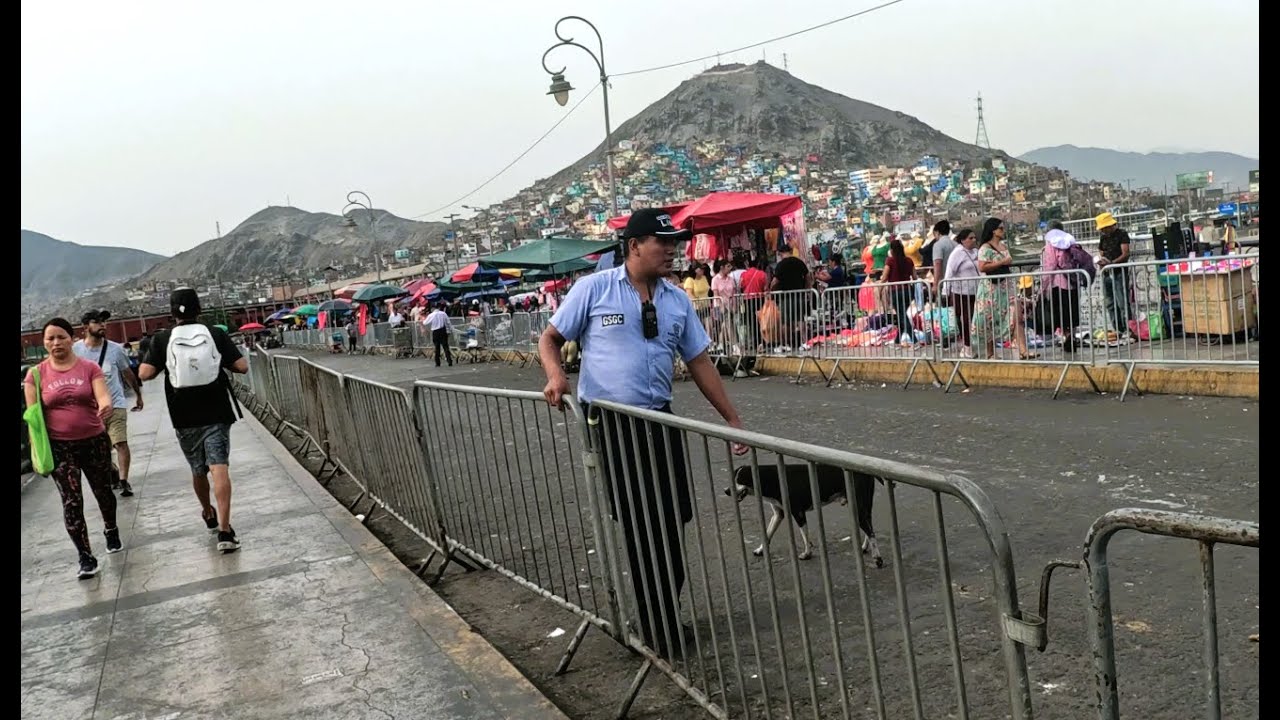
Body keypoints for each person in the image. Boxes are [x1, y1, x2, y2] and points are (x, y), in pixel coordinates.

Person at [537, 208, 748, 659]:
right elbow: (549, 339)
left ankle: (664, 610)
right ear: (634, 245)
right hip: (613, 423)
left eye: (675, 243)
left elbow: (699, 362)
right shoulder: (595, 289)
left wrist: (731, 418)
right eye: (662, 242)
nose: (672, 250)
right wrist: (556, 377)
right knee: (639, 522)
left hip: (661, 420)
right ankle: (656, 624)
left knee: (674, 518)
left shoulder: (676, 300)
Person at [139, 288, 248, 553]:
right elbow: (242, 366)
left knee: (198, 470)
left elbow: (144, 374)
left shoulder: (163, 339)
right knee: (219, 467)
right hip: (217, 412)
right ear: (200, 309)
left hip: (183, 416)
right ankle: (225, 530)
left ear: (171, 312)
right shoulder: (215, 333)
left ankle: (207, 512)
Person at [25, 318, 122, 579]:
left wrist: (105, 404)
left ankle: (111, 528)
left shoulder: (89, 368)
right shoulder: (35, 375)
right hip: (60, 447)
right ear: (44, 343)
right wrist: (37, 451)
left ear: (72, 339)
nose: (56, 343)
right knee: (71, 500)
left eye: (61, 337)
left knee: (103, 491)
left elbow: (102, 393)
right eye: (50, 338)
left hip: (94, 441)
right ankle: (86, 556)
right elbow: (33, 417)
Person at [73, 309, 143, 497]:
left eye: (104, 322)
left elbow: (127, 373)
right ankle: (112, 471)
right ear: (85, 327)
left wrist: (138, 394)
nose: (102, 325)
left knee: (120, 442)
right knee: (99, 450)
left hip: (115, 403)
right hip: (90, 409)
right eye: (97, 322)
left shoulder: (115, 349)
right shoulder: (76, 351)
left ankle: (123, 480)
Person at [971, 218, 1034, 359]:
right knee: (989, 319)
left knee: (1016, 316)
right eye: (1001, 228)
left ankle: (1023, 350)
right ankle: (990, 352)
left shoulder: (1003, 246)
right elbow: (982, 267)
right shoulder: (985, 248)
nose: (1003, 230)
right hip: (990, 288)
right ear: (993, 230)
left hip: (1006, 287)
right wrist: (1002, 262)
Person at [943, 229, 981, 357]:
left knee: (976, 318)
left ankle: (973, 343)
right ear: (963, 240)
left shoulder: (976, 252)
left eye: (974, 238)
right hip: (961, 292)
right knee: (965, 318)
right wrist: (945, 291)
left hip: (975, 290)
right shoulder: (957, 253)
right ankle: (967, 346)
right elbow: (949, 271)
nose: (973, 240)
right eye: (970, 238)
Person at [1095, 212, 1133, 338]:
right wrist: (1103, 261)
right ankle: (1118, 329)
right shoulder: (1103, 238)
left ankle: (1129, 328)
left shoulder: (1122, 234)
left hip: (1119, 271)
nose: (1103, 231)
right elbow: (1101, 251)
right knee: (1110, 303)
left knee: (1122, 302)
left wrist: (1112, 263)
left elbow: (1125, 253)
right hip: (1106, 273)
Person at [882, 237, 918, 347]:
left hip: (895, 291)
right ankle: (897, 340)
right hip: (908, 290)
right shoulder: (908, 260)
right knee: (902, 314)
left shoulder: (890, 261)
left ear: (892, 250)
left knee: (901, 315)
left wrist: (879, 288)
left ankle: (914, 340)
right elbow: (915, 277)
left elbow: (884, 277)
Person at [424, 302, 454, 367]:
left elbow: (425, 322)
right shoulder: (443, 313)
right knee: (445, 346)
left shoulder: (431, 315)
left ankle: (437, 362)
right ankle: (449, 361)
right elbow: (448, 322)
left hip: (435, 331)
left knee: (437, 348)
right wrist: (450, 330)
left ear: (432, 308)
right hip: (443, 330)